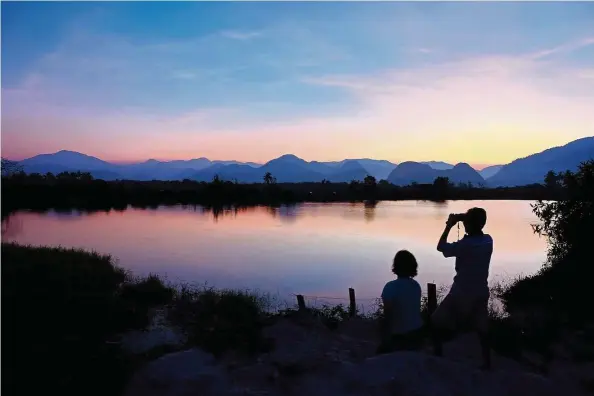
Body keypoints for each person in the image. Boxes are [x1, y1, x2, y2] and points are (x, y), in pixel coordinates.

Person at [431, 207, 493, 370]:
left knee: (436, 320)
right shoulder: (488, 241)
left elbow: (441, 247)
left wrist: (449, 226)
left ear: (469, 225)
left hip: (461, 291)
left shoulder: (466, 245)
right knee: (482, 328)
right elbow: (474, 230)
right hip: (481, 290)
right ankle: (487, 362)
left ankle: (438, 354)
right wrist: (462, 218)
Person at [377, 250, 424, 353]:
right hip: (418, 333)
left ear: (395, 266)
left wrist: (385, 339)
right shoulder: (416, 285)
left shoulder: (390, 287)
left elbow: (388, 315)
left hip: (399, 337)